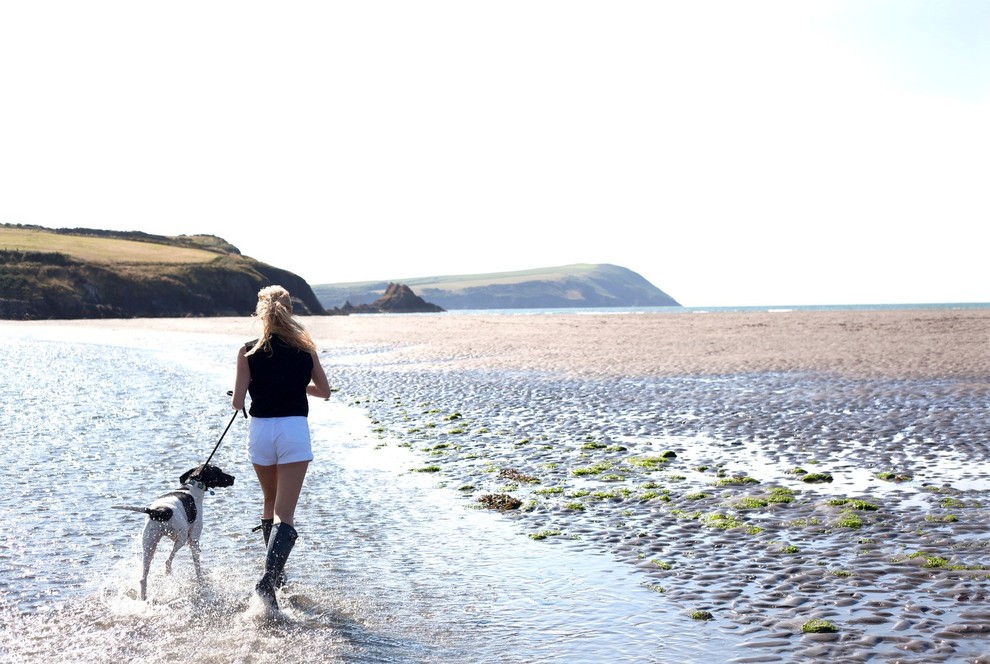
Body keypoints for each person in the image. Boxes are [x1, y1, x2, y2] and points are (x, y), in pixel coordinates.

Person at [231, 285, 332, 611]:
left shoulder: (247, 349)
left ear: (261, 311)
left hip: (261, 431)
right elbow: (325, 391)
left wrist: (244, 392)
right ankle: (268, 581)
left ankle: (276, 577)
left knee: (269, 503)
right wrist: (294, 384)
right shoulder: (306, 348)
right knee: (284, 513)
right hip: (292, 431)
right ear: (290, 309)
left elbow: (237, 401)